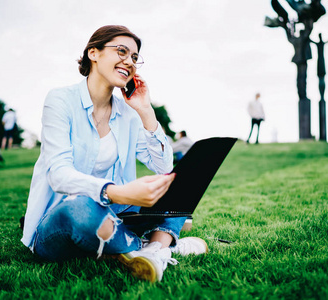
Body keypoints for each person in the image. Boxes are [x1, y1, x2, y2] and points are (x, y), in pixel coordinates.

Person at [21, 25, 207, 282]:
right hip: (63, 219)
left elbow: (163, 166)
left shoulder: (128, 113)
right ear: (93, 53)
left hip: (113, 213)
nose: (129, 61)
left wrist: (145, 110)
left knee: (177, 187)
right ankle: (158, 247)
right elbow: (59, 175)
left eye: (134, 57)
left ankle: (148, 249)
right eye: (121, 51)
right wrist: (116, 191)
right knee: (81, 207)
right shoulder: (60, 100)